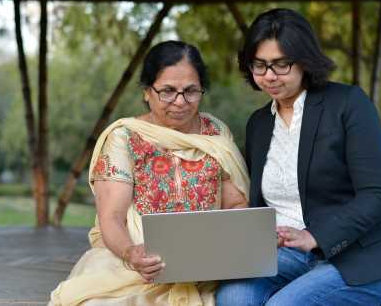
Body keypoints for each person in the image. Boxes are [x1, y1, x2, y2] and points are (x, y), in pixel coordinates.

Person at [216, 8, 381, 306]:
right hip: (282, 256)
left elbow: (377, 195)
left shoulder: (348, 104)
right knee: (232, 299)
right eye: (259, 65)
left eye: (281, 64)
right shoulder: (258, 123)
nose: (269, 76)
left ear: (305, 60)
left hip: (358, 258)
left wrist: (315, 236)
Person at [49, 40, 249, 306]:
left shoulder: (216, 132)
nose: (180, 102)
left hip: (207, 267)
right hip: (135, 266)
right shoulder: (125, 138)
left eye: (191, 91)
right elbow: (112, 217)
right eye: (167, 91)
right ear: (146, 92)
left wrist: (223, 252)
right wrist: (133, 254)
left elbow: (235, 204)